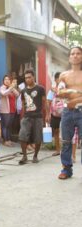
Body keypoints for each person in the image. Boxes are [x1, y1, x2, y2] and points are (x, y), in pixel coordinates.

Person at [56, 46, 82, 179]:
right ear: (69, 57)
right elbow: (59, 93)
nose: (75, 55)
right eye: (73, 53)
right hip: (67, 112)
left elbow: (65, 93)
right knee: (66, 141)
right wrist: (77, 92)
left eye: (78, 53)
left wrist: (74, 97)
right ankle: (66, 169)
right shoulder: (64, 75)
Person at [18, 69, 46, 165]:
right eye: (26, 78)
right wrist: (22, 117)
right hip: (26, 117)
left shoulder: (40, 89)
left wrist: (47, 115)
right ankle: (24, 156)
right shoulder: (23, 90)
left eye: (29, 77)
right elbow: (22, 104)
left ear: (33, 77)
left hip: (38, 116)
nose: (27, 79)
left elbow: (44, 102)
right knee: (22, 136)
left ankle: (35, 156)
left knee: (38, 138)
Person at [46, 72, 63, 156]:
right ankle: (57, 150)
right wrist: (48, 114)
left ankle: (67, 150)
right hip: (55, 114)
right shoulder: (52, 90)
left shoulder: (64, 88)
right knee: (56, 131)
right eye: (59, 78)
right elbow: (48, 102)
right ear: (55, 80)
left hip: (65, 113)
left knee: (66, 132)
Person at [0, 75, 20, 146]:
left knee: (9, 126)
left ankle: (9, 140)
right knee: (5, 126)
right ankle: (5, 140)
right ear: (3, 81)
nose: (7, 81)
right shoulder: (2, 88)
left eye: (8, 79)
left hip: (12, 110)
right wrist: (11, 88)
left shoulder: (11, 88)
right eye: (5, 79)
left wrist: (12, 88)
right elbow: (4, 93)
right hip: (5, 110)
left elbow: (17, 95)